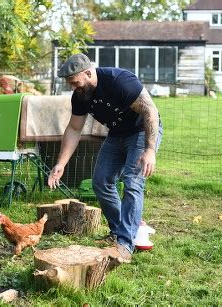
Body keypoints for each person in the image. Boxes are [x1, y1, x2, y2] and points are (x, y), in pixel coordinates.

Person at [48, 53, 162, 265]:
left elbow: (150, 111)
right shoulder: (80, 96)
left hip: (140, 132)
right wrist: (60, 164)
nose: (74, 87)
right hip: (117, 134)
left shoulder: (119, 81)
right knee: (101, 182)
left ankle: (125, 245)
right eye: (71, 84)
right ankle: (123, 230)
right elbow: (74, 129)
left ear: (88, 72)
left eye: (75, 82)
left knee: (132, 182)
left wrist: (150, 149)